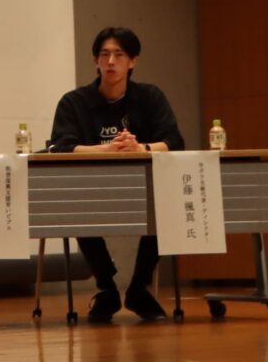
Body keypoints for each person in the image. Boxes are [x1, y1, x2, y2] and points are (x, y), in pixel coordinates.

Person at [48, 25, 183, 323]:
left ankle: (139, 288)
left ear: (133, 61)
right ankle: (106, 287)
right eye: (104, 55)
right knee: (75, 205)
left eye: (119, 55)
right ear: (95, 60)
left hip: (144, 189)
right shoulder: (74, 102)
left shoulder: (150, 97)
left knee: (168, 206)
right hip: (89, 191)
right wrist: (108, 149)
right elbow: (60, 147)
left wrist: (140, 148)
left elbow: (174, 141)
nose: (110, 62)